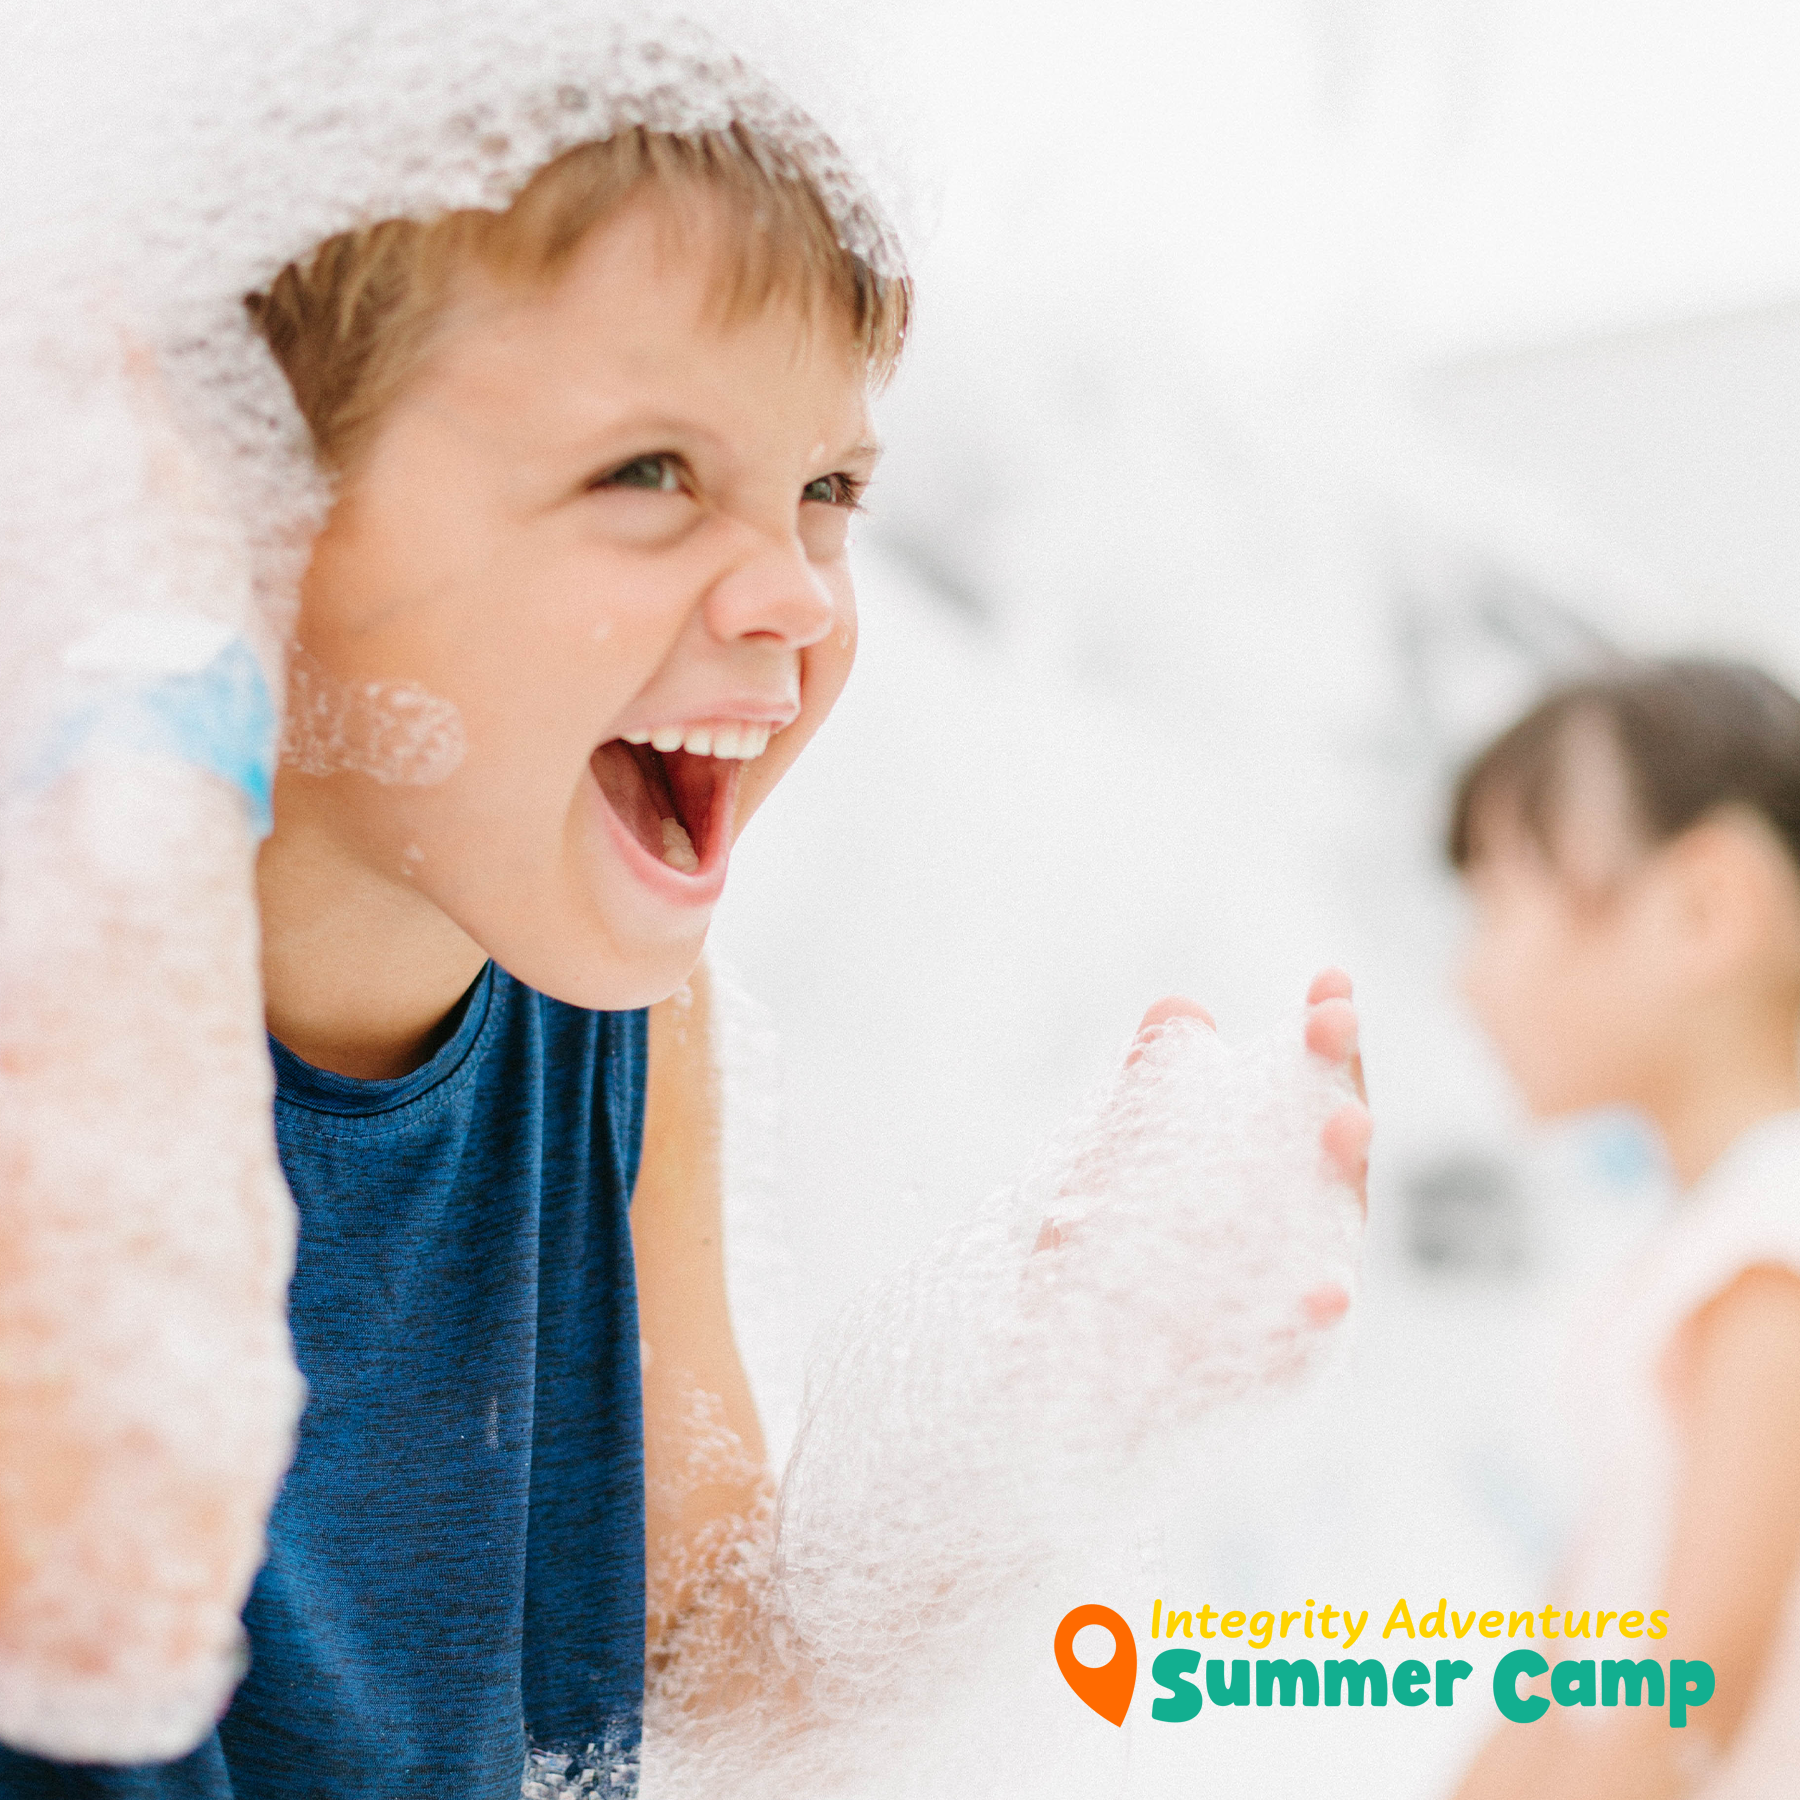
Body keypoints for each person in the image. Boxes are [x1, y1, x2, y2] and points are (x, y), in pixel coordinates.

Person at [0, 112, 1371, 1796]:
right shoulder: (57, 983)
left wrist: (1049, 1415)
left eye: (829, 490)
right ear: (248, 504)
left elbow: (699, 1662)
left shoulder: (629, 1031)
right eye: (649, 473)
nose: (794, 591)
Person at [1448, 658, 1800, 1800]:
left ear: (1708, 909)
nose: (1470, 976)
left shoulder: (1770, 1250)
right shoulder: (1720, 1240)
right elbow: (1571, 1663)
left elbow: (1681, 1718)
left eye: (1503, 899)